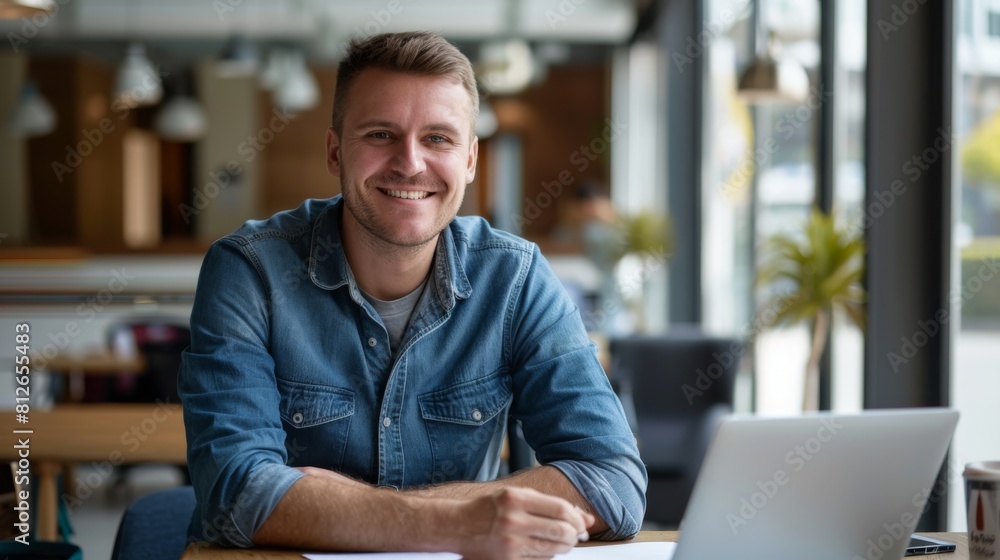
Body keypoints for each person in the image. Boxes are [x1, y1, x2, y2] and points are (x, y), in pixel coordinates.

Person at [178, 31, 646, 559]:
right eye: (380, 134)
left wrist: (341, 506)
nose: (410, 163)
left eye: (438, 139)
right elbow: (236, 492)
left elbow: (613, 480)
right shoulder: (250, 270)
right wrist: (463, 522)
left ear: (469, 160)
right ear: (335, 151)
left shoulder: (515, 278)